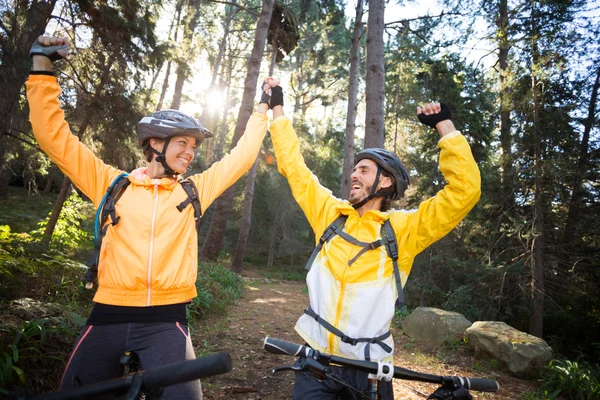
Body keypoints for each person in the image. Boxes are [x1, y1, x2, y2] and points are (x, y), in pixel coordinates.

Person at [26, 36, 270, 399]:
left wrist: (263, 106)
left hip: (166, 320)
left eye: (194, 146)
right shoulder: (112, 185)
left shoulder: (192, 191)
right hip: (107, 313)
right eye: (182, 143)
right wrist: (42, 69)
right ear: (155, 143)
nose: (190, 153)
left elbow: (243, 156)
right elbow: (54, 139)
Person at [260, 78, 481, 399]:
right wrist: (277, 106)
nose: (354, 175)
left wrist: (444, 126)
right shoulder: (330, 214)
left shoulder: (404, 229)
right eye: (355, 169)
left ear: (386, 181)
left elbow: (464, 192)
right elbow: (294, 167)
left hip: (372, 373)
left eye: (364, 170)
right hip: (316, 363)